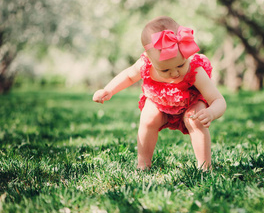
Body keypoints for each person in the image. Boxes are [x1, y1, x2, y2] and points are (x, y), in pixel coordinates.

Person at [93, 16, 226, 170]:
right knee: (148, 117)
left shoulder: (195, 69)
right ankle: (143, 164)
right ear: (149, 58)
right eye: (165, 70)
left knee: (194, 119)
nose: (175, 73)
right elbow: (129, 76)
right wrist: (108, 89)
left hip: (190, 102)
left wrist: (211, 112)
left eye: (180, 65)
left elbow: (219, 100)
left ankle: (205, 166)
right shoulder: (145, 64)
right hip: (160, 101)